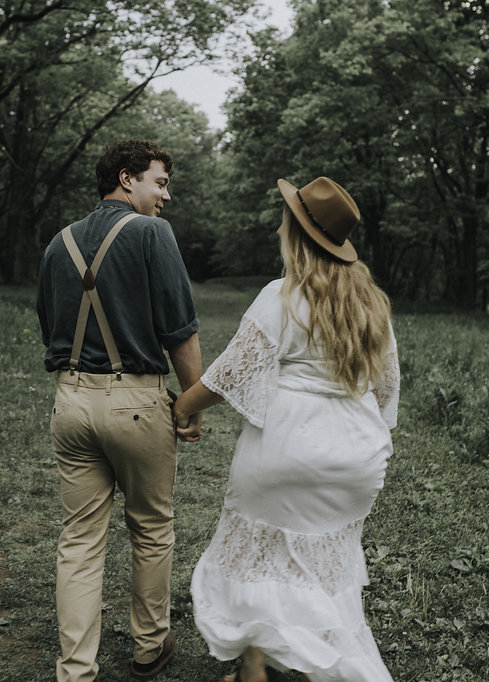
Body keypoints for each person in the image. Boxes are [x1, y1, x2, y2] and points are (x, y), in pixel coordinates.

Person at [172, 176, 400, 682]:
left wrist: (183, 407)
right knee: (322, 568)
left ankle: (255, 668)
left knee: (255, 558)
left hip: (288, 449)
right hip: (357, 459)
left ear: (296, 235)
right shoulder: (372, 305)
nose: (279, 225)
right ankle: (287, 660)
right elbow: (385, 391)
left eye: (285, 220)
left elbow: (232, 370)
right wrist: (363, 440)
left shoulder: (283, 294)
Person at [36, 139, 204, 682]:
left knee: (80, 540)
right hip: (136, 401)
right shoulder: (153, 234)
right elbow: (179, 328)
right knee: (151, 528)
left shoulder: (57, 244)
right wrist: (192, 402)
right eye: (160, 182)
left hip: (71, 402)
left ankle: (75, 669)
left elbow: (50, 325)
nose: (166, 195)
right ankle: (150, 646)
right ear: (127, 179)